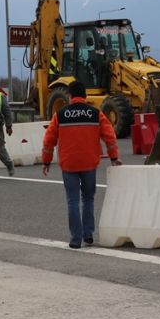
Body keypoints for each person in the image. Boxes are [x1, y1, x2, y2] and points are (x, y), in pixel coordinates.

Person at [41, 80, 121, 248]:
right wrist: (114, 157)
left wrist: (46, 161)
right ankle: (88, 234)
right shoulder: (95, 113)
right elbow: (110, 136)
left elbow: (49, 140)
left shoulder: (60, 115)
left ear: (70, 96)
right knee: (88, 199)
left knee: (72, 201)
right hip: (89, 163)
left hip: (69, 163)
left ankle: (75, 239)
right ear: (85, 96)